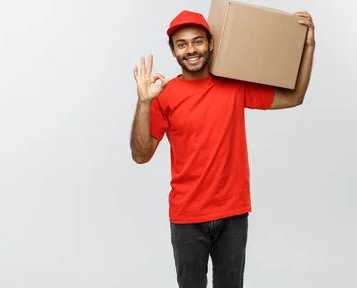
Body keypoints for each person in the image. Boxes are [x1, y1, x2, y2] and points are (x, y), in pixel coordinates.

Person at [129, 9, 315, 288]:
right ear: (173, 52)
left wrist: (308, 45)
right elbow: (141, 155)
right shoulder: (163, 95)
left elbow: (295, 96)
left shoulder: (233, 84)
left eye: (198, 41)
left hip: (233, 214)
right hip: (187, 217)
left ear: (211, 43)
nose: (191, 50)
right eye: (182, 44)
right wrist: (143, 103)